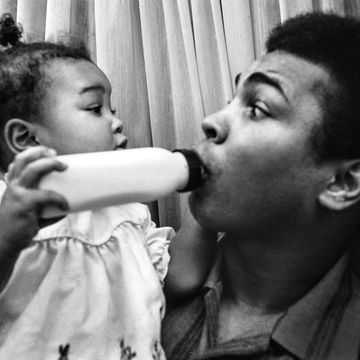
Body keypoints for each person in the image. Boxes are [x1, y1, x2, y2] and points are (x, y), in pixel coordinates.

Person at [0, 14, 216, 360]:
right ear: (26, 137)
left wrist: (206, 213)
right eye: (95, 108)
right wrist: (8, 237)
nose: (117, 122)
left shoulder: (128, 211)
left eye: (112, 108)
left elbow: (178, 281)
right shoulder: (5, 209)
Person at [162, 12, 360, 360]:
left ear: (342, 183)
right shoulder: (140, 268)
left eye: (256, 107)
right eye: (231, 99)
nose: (211, 121)